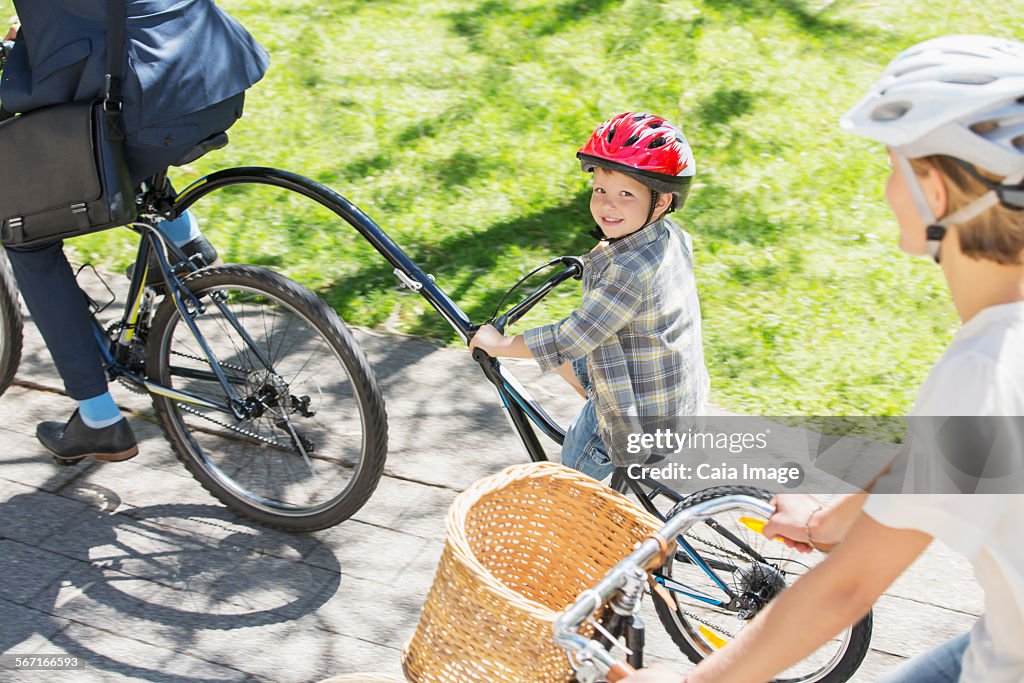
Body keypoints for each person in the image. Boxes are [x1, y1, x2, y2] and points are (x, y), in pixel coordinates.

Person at [621, 35, 1024, 683]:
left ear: (934, 193)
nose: (888, 185)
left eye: (896, 166)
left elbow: (844, 589)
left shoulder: (986, 366)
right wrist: (828, 519)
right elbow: (939, 460)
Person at [0, 0, 268, 462]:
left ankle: (98, 418)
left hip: (149, 95)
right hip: (212, 66)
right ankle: (185, 245)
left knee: (26, 235)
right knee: (115, 149)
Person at [469, 112, 710, 480]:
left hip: (638, 428)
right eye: (600, 191)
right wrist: (603, 251)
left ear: (660, 201)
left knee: (574, 478)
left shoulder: (629, 274)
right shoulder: (670, 236)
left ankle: (590, 517)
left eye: (625, 194)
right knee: (586, 352)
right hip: (677, 397)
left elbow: (570, 338)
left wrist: (498, 345)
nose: (608, 205)